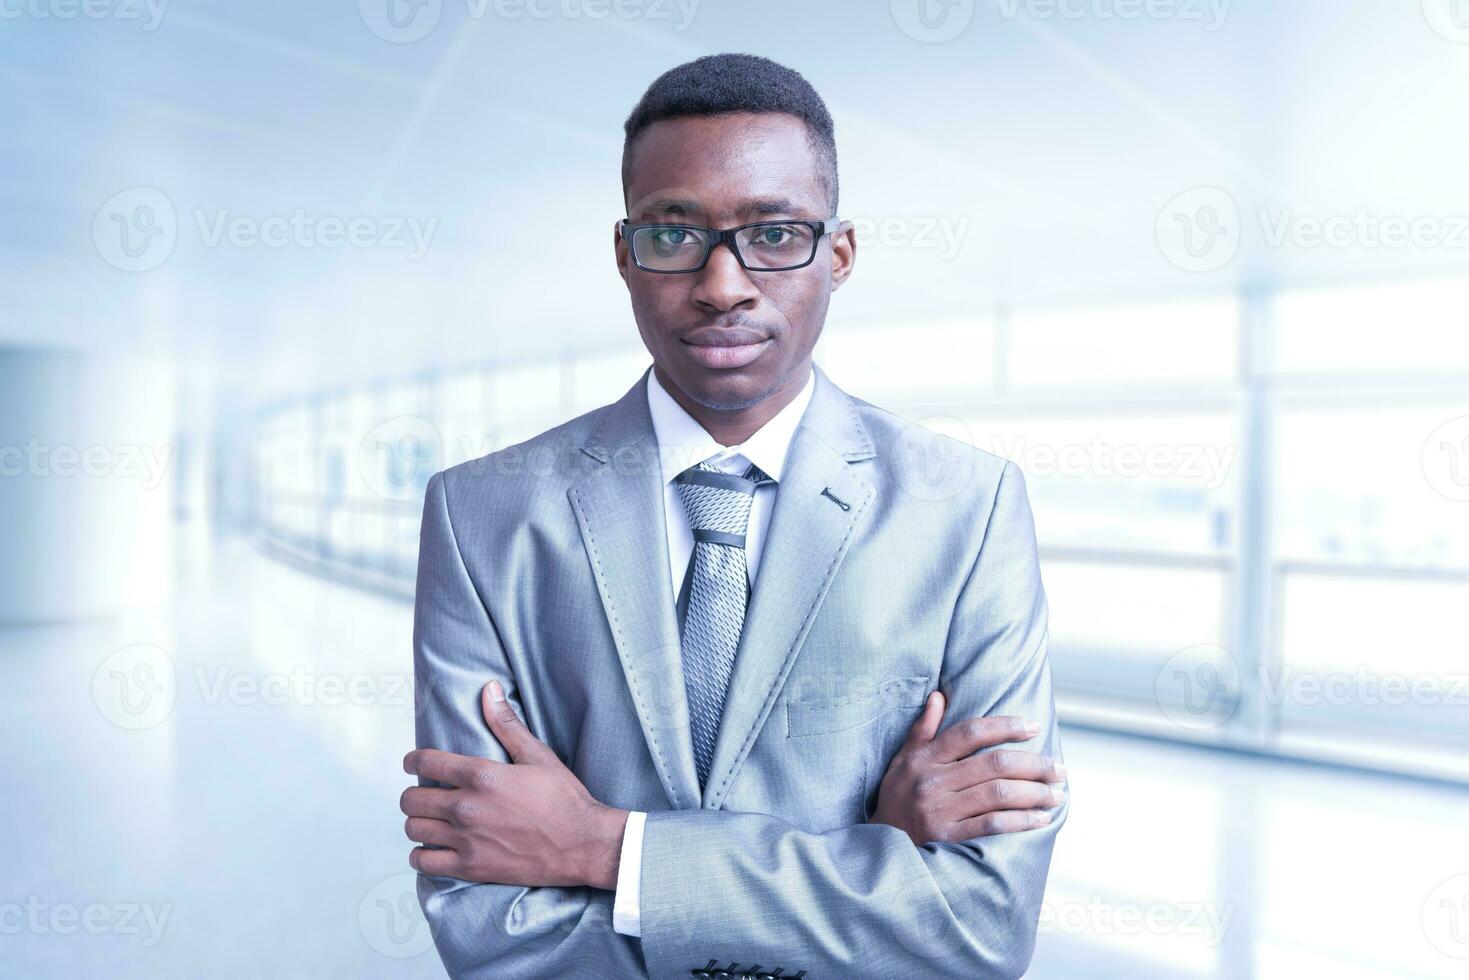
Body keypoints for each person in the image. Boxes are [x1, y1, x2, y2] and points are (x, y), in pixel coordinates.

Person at [401, 52, 1068, 979]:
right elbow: (490, 930)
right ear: (624, 256)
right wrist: (872, 855)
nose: (722, 284)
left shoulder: (967, 508)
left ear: (837, 255)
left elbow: (980, 928)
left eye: (774, 234)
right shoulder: (484, 514)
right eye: (674, 236)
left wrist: (604, 851)